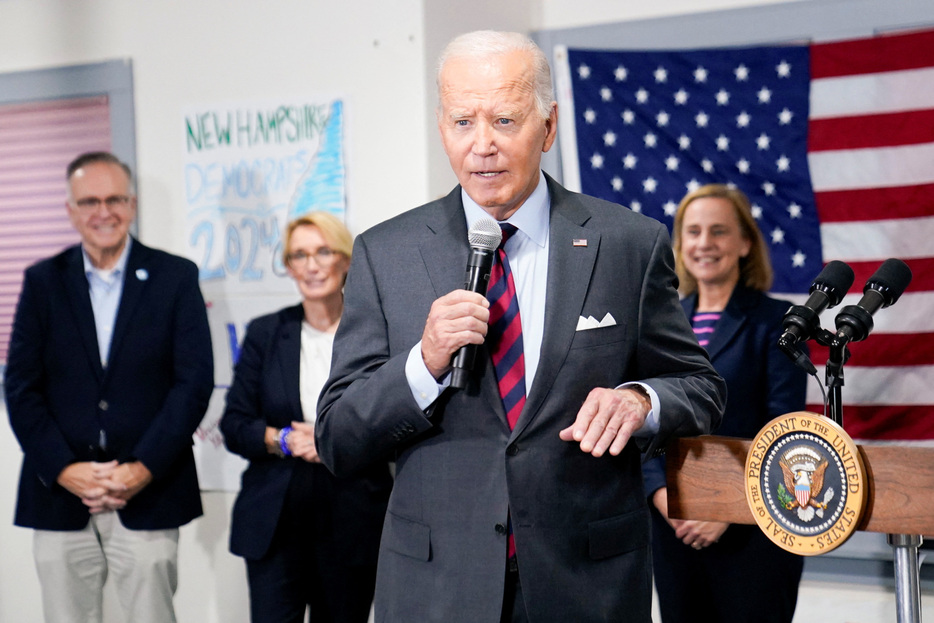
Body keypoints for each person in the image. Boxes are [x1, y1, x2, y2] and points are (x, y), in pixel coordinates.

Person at [315, 30, 726, 623]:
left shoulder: (628, 243)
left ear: (549, 126)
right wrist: (422, 364)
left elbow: (699, 385)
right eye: (462, 122)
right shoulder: (386, 253)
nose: (482, 145)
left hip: (588, 585)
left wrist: (641, 401)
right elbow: (338, 437)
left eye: (505, 120)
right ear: (441, 128)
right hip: (436, 590)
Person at [4, 151, 214, 623]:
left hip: (150, 491)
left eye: (116, 198)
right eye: (91, 200)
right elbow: (20, 387)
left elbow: (193, 383)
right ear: (71, 210)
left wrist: (142, 468)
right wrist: (63, 468)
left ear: (133, 204)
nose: (105, 211)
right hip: (59, 496)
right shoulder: (42, 282)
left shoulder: (175, 277)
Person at [642, 184, 807, 623]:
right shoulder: (661, 323)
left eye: (718, 231)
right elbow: (644, 420)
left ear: (745, 243)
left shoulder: (780, 323)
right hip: (674, 528)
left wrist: (731, 508)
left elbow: (784, 428)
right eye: (692, 232)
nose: (704, 243)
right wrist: (664, 499)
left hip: (755, 529)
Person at [220, 212, 392, 623]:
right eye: (299, 255)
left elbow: (396, 421)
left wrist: (333, 439)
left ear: (347, 260)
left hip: (353, 519)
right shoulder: (265, 332)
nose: (312, 266)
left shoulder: (377, 331)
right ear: (288, 266)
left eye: (322, 251)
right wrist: (284, 440)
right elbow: (234, 425)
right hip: (275, 525)